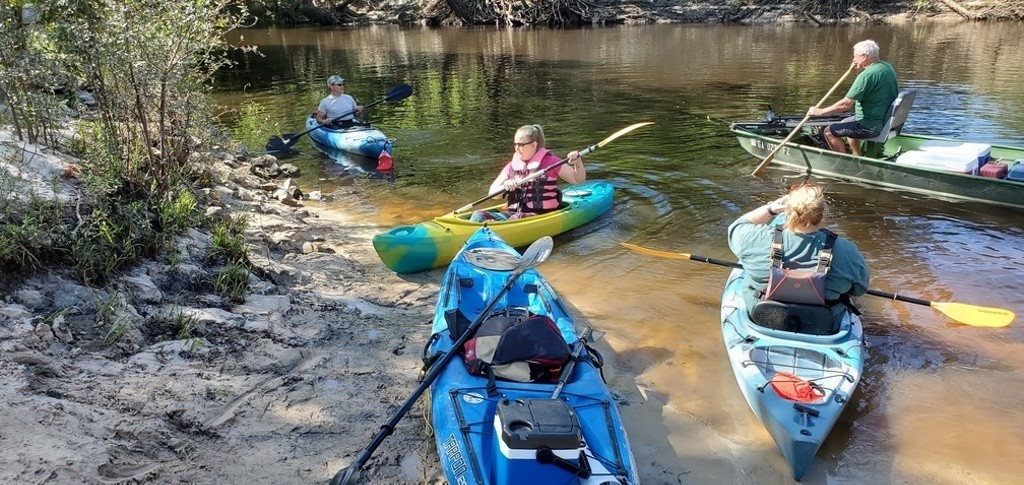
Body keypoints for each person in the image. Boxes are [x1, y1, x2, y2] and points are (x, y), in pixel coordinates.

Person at [727, 183, 869, 329]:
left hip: (763, 319)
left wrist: (770, 209)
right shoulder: (847, 250)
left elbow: (738, 226)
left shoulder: (756, 239)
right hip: (821, 326)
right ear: (821, 213)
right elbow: (859, 289)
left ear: (787, 211)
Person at [470, 124, 586, 222]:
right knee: (478, 215)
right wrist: (505, 186)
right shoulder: (511, 166)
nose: (516, 148)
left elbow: (578, 180)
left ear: (533, 145)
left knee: (517, 218)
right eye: (515, 144)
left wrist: (577, 162)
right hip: (513, 214)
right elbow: (492, 193)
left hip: (540, 215)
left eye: (521, 145)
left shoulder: (551, 162)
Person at [807, 40, 898, 157]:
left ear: (864, 56)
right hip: (880, 119)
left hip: (869, 125)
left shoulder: (867, 75)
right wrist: (860, 70)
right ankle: (857, 157)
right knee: (846, 123)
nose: (854, 60)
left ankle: (844, 162)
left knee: (828, 131)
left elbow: (846, 105)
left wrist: (820, 112)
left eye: (855, 56)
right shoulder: (886, 67)